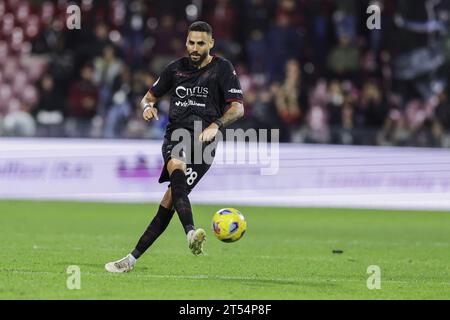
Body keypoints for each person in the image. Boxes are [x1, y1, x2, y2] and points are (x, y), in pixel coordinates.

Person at [105, 21, 244, 273]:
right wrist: (147, 108)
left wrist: (217, 125)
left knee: (170, 200)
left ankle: (131, 260)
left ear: (211, 43)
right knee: (176, 166)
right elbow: (147, 98)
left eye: (200, 43)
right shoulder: (175, 69)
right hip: (177, 135)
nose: (194, 47)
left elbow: (237, 108)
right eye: (191, 42)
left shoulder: (223, 69)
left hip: (206, 142)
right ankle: (191, 232)